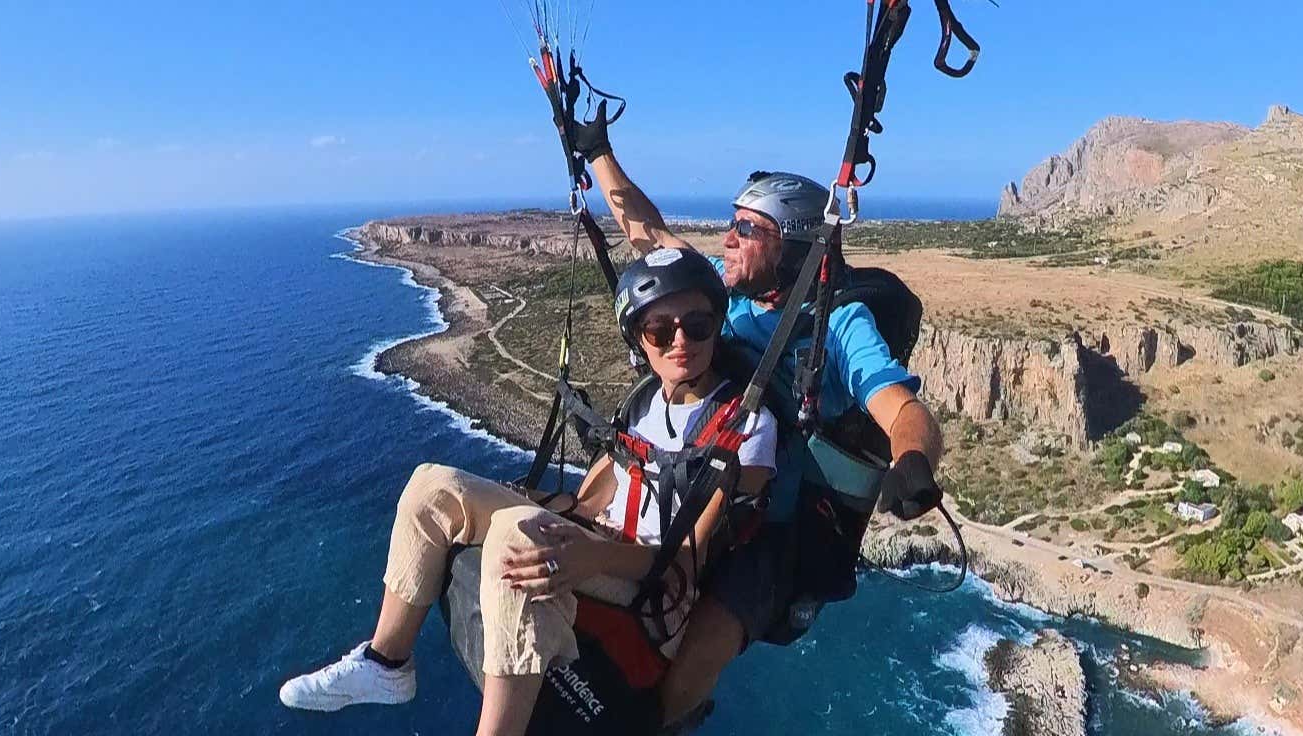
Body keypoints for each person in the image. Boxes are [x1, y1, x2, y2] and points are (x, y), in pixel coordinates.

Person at [278, 248, 780, 736]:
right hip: (601, 543)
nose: (680, 341)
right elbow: (588, 504)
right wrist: (518, 500)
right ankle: (387, 661)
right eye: (660, 330)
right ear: (639, 340)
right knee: (433, 487)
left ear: (716, 324)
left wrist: (592, 555)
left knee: (516, 536)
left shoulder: (746, 426)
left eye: (697, 325)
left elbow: (686, 566)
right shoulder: (644, 403)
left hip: (654, 592)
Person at [565, 113, 949, 728]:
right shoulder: (731, 298)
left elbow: (902, 408)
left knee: (707, 638)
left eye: (747, 228)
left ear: (791, 245)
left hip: (775, 524)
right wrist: (599, 152)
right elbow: (649, 235)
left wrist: (913, 460)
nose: (728, 238)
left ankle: (661, 722)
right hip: (704, 477)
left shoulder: (838, 326)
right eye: (732, 223)